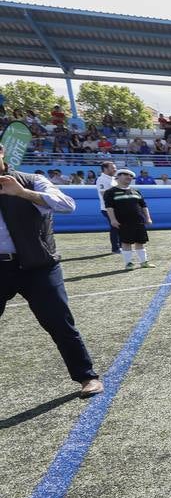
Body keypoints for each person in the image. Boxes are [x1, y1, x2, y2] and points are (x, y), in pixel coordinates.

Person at [0, 142, 103, 398]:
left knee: (60, 323)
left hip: (38, 266)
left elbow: (67, 204)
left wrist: (22, 193)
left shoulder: (31, 180)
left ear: (2, 152)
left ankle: (87, 377)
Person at [102, 168, 154, 270]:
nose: (129, 177)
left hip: (138, 221)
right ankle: (129, 263)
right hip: (123, 222)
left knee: (140, 242)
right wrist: (113, 220)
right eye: (125, 175)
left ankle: (144, 262)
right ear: (118, 177)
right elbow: (109, 207)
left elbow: (144, 206)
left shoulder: (136, 191)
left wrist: (148, 218)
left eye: (131, 176)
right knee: (126, 242)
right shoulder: (110, 192)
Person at [94, 161, 121, 254]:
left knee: (120, 227)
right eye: (113, 168)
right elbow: (104, 194)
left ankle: (121, 246)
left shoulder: (113, 179)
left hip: (117, 207)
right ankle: (115, 248)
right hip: (108, 208)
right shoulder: (101, 179)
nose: (115, 169)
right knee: (115, 227)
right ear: (105, 169)